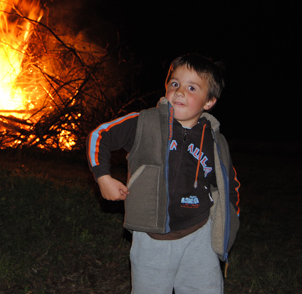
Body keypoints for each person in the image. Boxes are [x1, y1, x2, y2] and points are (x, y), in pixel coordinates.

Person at [87, 53, 240, 294]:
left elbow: (229, 184)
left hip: (199, 235)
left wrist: (230, 219)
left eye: (192, 88)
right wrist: (102, 177)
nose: (179, 92)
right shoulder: (145, 122)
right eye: (175, 84)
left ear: (209, 101)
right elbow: (100, 135)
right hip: (152, 237)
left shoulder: (215, 141)